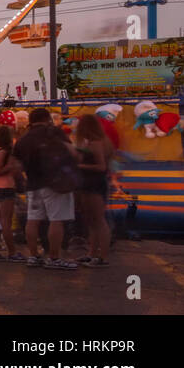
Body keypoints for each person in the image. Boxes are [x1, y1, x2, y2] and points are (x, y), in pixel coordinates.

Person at [13, 107, 79, 270]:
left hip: (33, 185)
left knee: (33, 220)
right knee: (56, 220)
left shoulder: (24, 139)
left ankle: (34, 256)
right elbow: (72, 152)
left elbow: (16, 165)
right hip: (55, 184)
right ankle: (54, 258)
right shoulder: (54, 132)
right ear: (47, 118)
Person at [73, 114, 113, 268]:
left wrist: (80, 166)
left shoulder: (96, 143)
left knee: (98, 220)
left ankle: (102, 256)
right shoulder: (100, 141)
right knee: (92, 221)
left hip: (94, 184)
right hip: (92, 183)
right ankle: (92, 253)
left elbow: (101, 166)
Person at [0, 124, 24, 261]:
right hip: (5, 188)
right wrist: (11, 166)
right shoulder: (3, 152)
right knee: (5, 222)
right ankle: (12, 252)